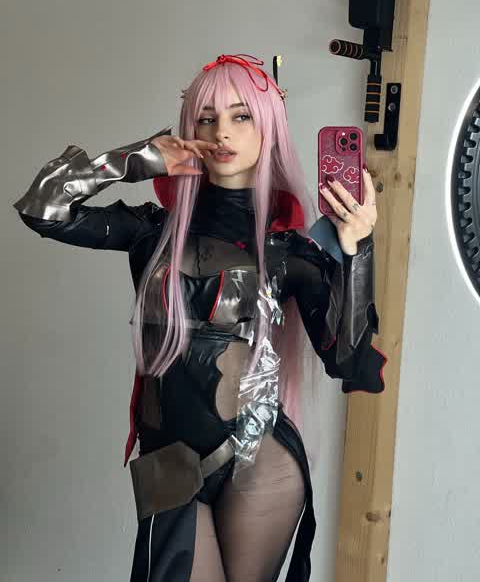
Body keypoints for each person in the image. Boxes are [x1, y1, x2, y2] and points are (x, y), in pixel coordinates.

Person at [13, 53, 387, 581]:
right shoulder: (152, 230)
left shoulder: (289, 251)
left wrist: (358, 248)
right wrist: (133, 160)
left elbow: (349, 363)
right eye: (206, 118)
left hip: (261, 460)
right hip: (168, 459)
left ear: (269, 129)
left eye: (241, 116)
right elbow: (42, 209)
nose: (221, 132)